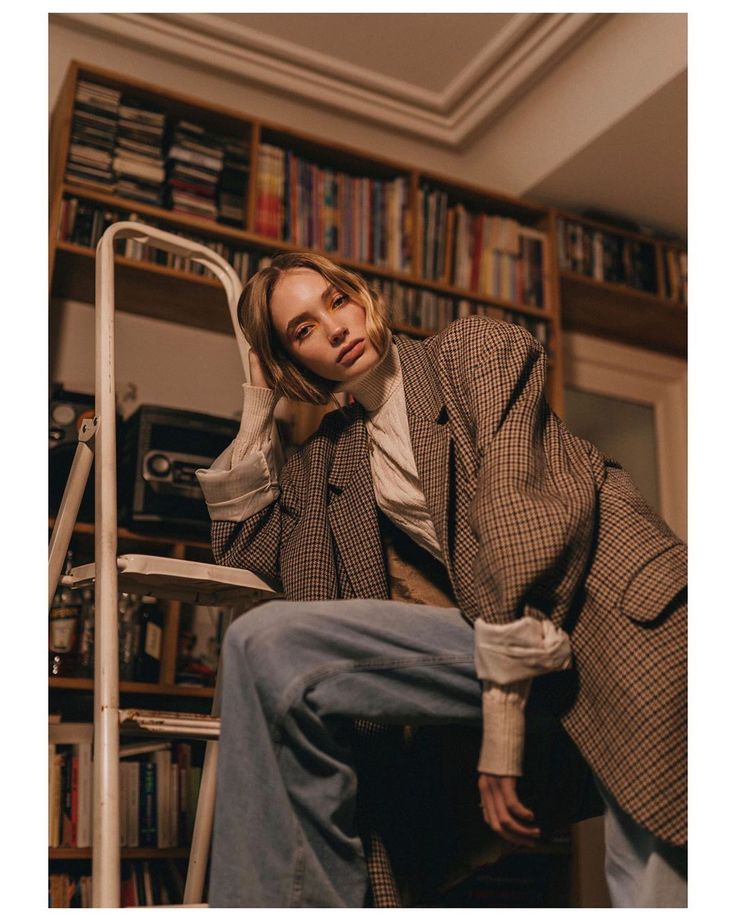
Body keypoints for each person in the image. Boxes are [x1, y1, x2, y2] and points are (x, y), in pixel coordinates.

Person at [195, 251, 687, 908]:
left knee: (656, 880)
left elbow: (526, 527)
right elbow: (245, 561)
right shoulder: (333, 457)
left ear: (363, 296)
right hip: (502, 644)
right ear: (293, 363)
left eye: (337, 300)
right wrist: (259, 408)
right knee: (267, 642)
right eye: (303, 330)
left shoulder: (473, 353)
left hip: (621, 622)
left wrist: (502, 727)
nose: (335, 328)